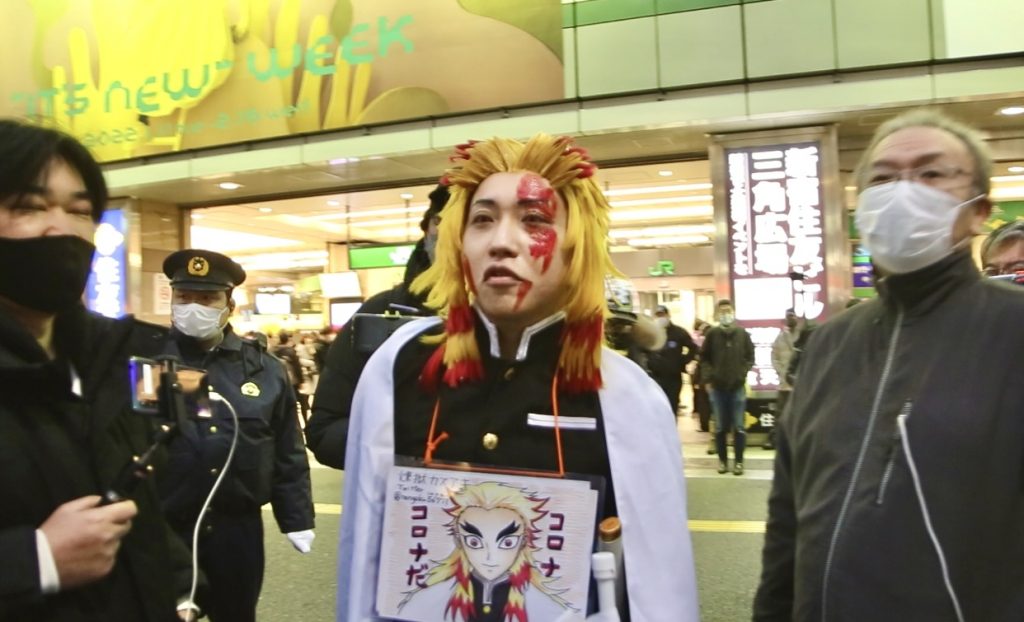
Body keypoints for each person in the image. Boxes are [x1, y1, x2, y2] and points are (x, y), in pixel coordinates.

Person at [337, 134, 699, 621]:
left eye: (535, 220)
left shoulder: (625, 394)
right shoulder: (400, 367)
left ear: (579, 245)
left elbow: (660, 584)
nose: (502, 242)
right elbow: (365, 554)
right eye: (482, 219)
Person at [753, 109, 1024, 621]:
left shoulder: (1013, 330)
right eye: (882, 178)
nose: (903, 190)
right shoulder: (832, 343)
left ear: (978, 211)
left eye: (931, 173)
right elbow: (787, 520)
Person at [0, 119, 197, 620]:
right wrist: (35, 559)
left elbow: (141, 516)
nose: (61, 228)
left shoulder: (111, 359)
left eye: (81, 211)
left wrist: (183, 597)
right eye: (28, 207)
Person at [158, 249, 315, 622]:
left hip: (236, 529)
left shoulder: (263, 369)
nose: (194, 307)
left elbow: (287, 449)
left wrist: (296, 517)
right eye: (185, 297)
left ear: (229, 304)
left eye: (207, 298)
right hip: (163, 527)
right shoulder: (146, 362)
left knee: (236, 613)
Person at [305, 184, 448, 468]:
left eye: (472, 221)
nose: (450, 233)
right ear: (426, 229)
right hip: (404, 499)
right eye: (440, 221)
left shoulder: (534, 319)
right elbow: (325, 431)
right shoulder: (380, 313)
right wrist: (403, 435)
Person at [699, 299, 754, 475]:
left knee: (739, 427)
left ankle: (739, 462)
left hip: (737, 387)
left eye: (728, 311)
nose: (725, 314)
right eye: (722, 311)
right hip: (717, 388)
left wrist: (742, 373)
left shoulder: (742, 333)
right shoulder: (712, 335)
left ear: (734, 312)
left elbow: (750, 356)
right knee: (721, 427)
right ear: (717, 314)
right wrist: (709, 377)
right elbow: (704, 358)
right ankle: (722, 462)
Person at [648, 305, 696, 417]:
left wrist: (683, 361)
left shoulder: (678, 332)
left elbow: (693, 348)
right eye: (658, 315)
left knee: (671, 407)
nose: (660, 318)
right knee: (657, 409)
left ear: (668, 315)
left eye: (662, 315)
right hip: (655, 377)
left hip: (673, 378)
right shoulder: (650, 334)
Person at [762, 309, 799, 450]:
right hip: (784, 384)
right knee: (780, 414)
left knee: (798, 414)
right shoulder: (781, 337)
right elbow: (774, 356)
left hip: (799, 383)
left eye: (793, 316)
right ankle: (775, 440)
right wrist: (780, 371)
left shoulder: (803, 335)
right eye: (789, 316)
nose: (791, 319)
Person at [272, 329, 309, 424]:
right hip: (293, 381)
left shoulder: (273, 351)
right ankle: (305, 422)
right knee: (301, 403)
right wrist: (301, 381)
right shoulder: (291, 351)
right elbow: (297, 367)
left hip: (278, 380)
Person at [690, 319, 712, 432]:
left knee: (704, 402)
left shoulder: (705, 338)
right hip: (706, 376)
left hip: (705, 377)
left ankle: (705, 425)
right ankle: (707, 425)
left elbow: (703, 360)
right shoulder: (708, 335)